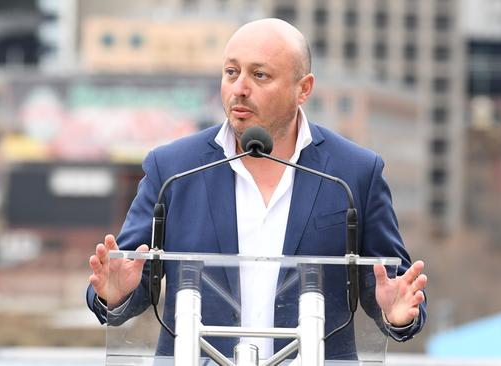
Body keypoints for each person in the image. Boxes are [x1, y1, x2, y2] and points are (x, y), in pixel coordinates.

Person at [86, 18, 427, 359]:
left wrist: (396, 315)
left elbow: (389, 287)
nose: (239, 89)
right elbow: (129, 276)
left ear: (303, 89)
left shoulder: (355, 173)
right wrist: (114, 295)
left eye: (259, 75)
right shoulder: (174, 169)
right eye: (231, 72)